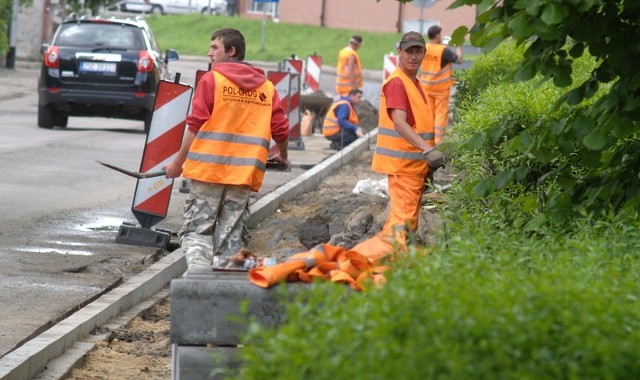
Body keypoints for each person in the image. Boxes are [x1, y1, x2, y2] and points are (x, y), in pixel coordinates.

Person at [164, 28, 290, 274]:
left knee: (197, 230)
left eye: (215, 47)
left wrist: (178, 164)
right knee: (230, 238)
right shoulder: (266, 87)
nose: (209, 53)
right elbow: (281, 129)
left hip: (208, 173)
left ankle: (198, 278)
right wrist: (283, 156)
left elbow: (195, 125)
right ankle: (222, 287)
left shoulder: (212, 80)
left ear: (231, 51)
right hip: (243, 176)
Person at [351, 31, 445, 261]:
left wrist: (427, 161)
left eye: (418, 51)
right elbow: (400, 123)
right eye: (409, 51)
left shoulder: (414, 83)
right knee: (399, 229)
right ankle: (357, 261)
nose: (413, 56)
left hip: (413, 167)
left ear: (424, 53)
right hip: (403, 167)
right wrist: (428, 150)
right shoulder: (397, 83)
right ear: (399, 52)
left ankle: (396, 266)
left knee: (406, 225)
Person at [419, 25, 463, 145]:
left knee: (429, 113)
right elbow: (459, 60)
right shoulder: (443, 50)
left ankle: (427, 140)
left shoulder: (424, 48)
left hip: (426, 87)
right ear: (437, 35)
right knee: (441, 114)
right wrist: (458, 46)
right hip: (440, 89)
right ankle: (438, 141)